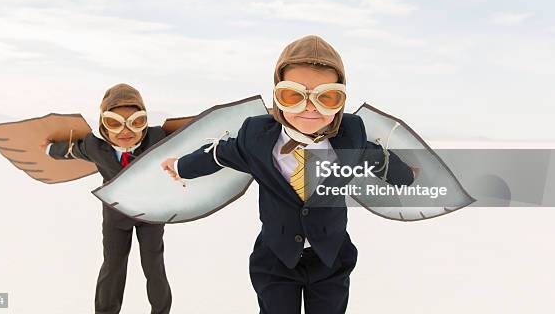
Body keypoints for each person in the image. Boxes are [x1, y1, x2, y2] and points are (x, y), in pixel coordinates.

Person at [161, 35, 414, 314]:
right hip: (275, 258)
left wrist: (407, 176)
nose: (309, 107)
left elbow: (377, 159)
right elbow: (219, 154)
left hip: (330, 256)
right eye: (293, 95)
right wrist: (181, 166)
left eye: (326, 97)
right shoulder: (256, 138)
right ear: (277, 96)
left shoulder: (351, 136)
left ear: (340, 101)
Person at [45, 83, 172, 314]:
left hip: (151, 213)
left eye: (136, 121)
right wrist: (48, 150)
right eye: (114, 122)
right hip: (116, 214)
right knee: (113, 266)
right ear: (104, 125)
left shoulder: (158, 138)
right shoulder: (94, 145)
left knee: (154, 266)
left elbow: (191, 138)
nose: (126, 131)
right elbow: (72, 149)